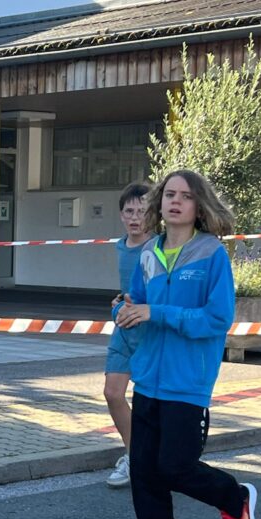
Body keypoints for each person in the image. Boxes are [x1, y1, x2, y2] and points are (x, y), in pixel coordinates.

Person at [114, 170, 257, 519]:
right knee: (144, 472)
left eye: (186, 196)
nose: (176, 201)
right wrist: (124, 311)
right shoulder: (148, 253)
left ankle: (234, 498)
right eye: (170, 194)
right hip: (148, 379)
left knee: (175, 467)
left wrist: (157, 312)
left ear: (199, 206)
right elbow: (137, 305)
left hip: (188, 383)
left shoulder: (211, 254)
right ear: (159, 202)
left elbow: (217, 319)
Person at [104, 182, 151, 488]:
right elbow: (129, 289)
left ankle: (153, 460)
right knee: (112, 393)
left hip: (151, 332)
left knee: (151, 403)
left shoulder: (159, 247)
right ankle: (135, 456)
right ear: (121, 215)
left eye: (142, 211)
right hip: (123, 329)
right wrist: (120, 302)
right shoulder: (121, 245)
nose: (135, 218)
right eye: (129, 211)